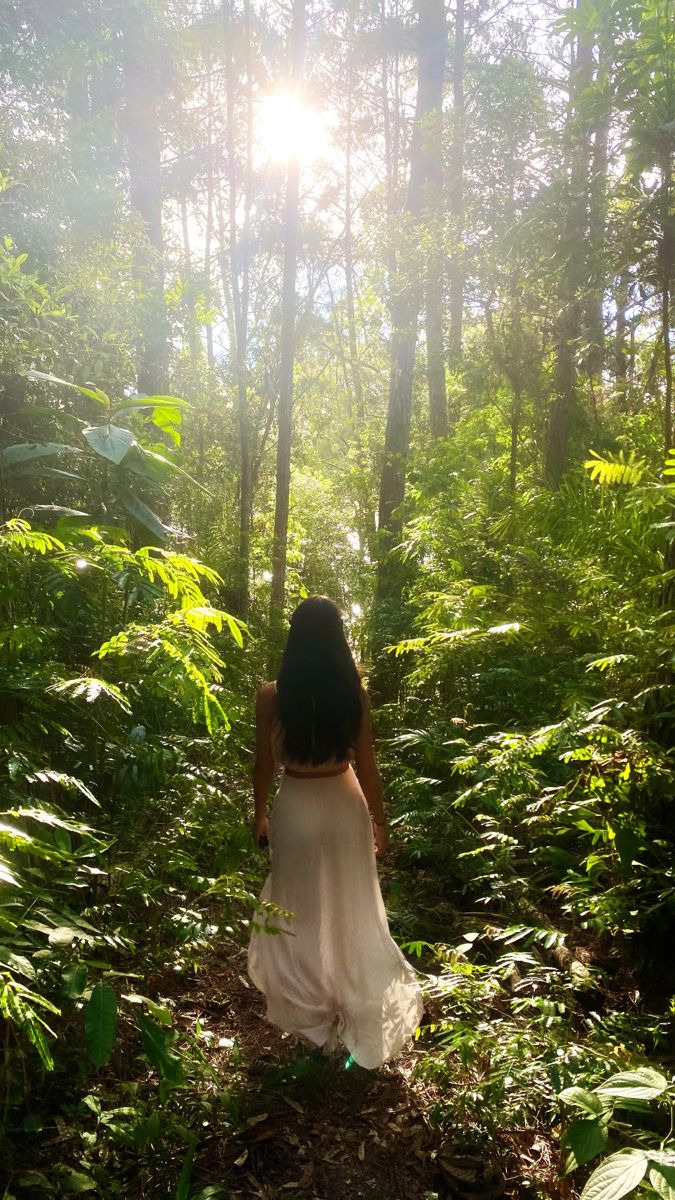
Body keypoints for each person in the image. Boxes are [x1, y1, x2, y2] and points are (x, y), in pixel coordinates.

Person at [247, 595, 424, 1069]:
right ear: (337, 639)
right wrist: (380, 821)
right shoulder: (352, 692)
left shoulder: (271, 695)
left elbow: (263, 766)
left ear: (294, 638)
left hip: (296, 806)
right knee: (351, 902)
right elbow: (367, 764)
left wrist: (259, 813)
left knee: (296, 903)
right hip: (345, 804)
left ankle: (311, 1012)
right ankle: (350, 1000)